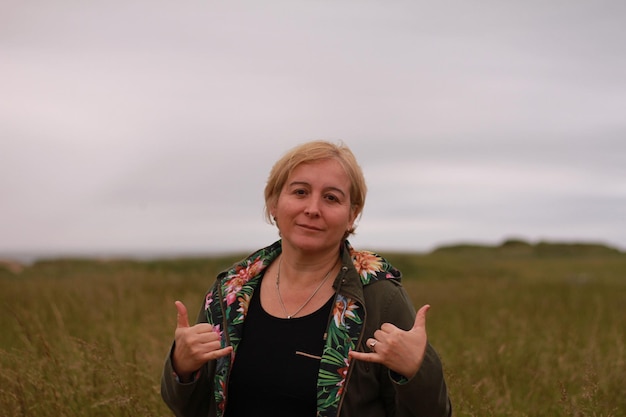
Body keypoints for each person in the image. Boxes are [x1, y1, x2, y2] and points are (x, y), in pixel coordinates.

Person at [161, 140, 452, 417]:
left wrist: (417, 372)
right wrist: (182, 368)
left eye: (331, 198)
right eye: (300, 192)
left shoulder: (379, 296)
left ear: (352, 215)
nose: (312, 209)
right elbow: (191, 408)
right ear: (274, 204)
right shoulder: (231, 290)